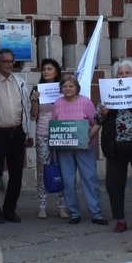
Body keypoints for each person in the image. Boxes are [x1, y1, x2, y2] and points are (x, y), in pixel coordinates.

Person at [97, 58, 132, 233]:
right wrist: (103, 113)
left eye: (127, 73)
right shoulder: (108, 92)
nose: (124, 76)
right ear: (116, 76)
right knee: (114, 184)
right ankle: (120, 219)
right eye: (121, 73)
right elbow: (97, 119)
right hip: (115, 145)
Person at [0, 49, 33, 224]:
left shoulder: (19, 82)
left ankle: (10, 209)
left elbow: (25, 108)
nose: (10, 64)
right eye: (6, 61)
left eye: (12, 61)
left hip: (17, 131)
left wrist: (28, 132)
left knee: (16, 172)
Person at [52, 75, 106, 225]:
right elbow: (54, 125)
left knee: (89, 178)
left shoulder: (85, 102)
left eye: (71, 86)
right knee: (68, 181)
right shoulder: (58, 103)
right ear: (61, 89)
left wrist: (88, 137)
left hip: (85, 146)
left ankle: (96, 213)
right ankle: (74, 213)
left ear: (77, 88)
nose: (68, 89)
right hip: (65, 149)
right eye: (65, 86)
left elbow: (97, 122)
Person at [29, 58, 68, 219]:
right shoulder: (37, 90)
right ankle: (42, 205)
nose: (46, 71)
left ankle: (61, 206)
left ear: (56, 72)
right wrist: (34, 101)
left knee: (61, 169)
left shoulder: (63, 89)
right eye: (44, 69)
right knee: (43, 170)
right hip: (43, 133)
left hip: (60, 132)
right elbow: (33, 116)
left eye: (49, 69)